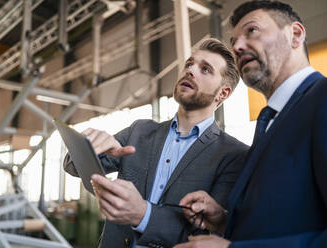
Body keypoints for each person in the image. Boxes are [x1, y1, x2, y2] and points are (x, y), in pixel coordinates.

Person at [63, 38, 248, 247]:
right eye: (189, 64)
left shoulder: (234, 155)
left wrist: (142, 214)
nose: (190, 71)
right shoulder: (139, 131)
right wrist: (89, 146)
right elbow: (71, 167)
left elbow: (210, 236)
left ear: (223, 93)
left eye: (205, 70)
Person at [175, 1, 327, 248]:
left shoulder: (322, 100)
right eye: (233, 41)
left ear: (295, 34)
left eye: (252, 31)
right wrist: (225, 221)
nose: (237, 46)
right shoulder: (271, 122)